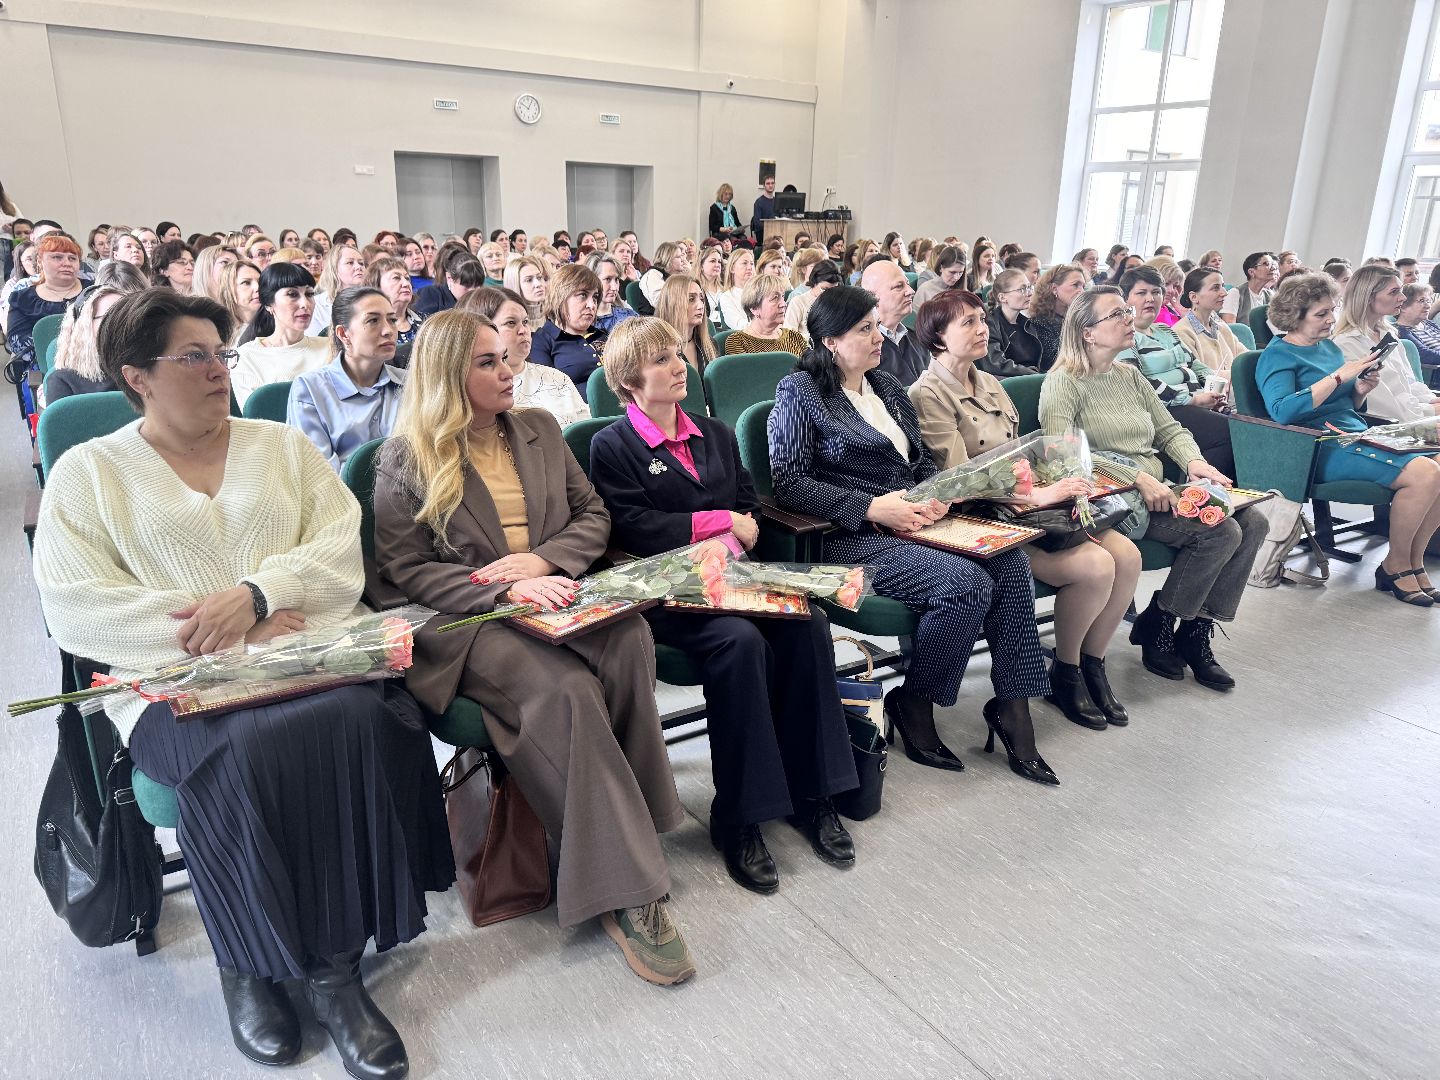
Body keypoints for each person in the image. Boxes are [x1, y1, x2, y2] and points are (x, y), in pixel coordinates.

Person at [33, 288, 452, 1076]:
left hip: (304, 660)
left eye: (220, 355)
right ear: (137, 377)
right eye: (192, 357)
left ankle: (333, 970)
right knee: (250, 745)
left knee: (358, 721)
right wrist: (224, 630)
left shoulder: (280, 448)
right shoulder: (90, 473)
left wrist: (258, 596)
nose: (217, 371)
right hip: (169, 683)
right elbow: (77, 608)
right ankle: (248, 963)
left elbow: (338, 552)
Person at [371, 308, 695, 984]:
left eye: (505, 356)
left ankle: (632, 820)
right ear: (446, 377)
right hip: (469, 619)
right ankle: (626, 890)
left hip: (553, 590)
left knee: (629, 638)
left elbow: (593, 516)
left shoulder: (541, 430)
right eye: (486, 363)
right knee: (566, 690)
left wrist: (544, 565)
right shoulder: (405, 459)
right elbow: (406, 571)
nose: (507, 371)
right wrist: (503, 591)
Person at [589, 317, 858, 889]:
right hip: (670, 592)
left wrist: (739, 533)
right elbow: (633, 527)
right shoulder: (612, 444)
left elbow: (746, 501)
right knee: (739, 645)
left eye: (675, 355)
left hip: (732, 577)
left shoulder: (712, 431)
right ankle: (738, 816)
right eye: (659, 360)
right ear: (629, 380)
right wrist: (719, 525)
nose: (676, 365)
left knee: (806, 623)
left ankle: (812, 794)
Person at [767, 285, 1055, 779]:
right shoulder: (802, 392)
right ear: (829, 341)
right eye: (864, 329)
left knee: (1010, 562)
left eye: (877, 325)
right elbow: (788, 482)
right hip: (848, 533)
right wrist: (875, 507)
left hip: (915, 520)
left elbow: (919, 458)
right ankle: (915, 701)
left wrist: (935, 491)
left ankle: (1013, 706)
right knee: (966, 583)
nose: (879, 336)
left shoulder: (888, 388)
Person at [909, 290, 1140, 731]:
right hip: (981, 516)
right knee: (1095, 566)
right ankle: (1066, 671)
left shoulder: (991, 382)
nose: (983, 329)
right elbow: (959, 480)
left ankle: (1091, 664)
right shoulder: (927, 394)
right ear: (937, 338)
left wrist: (1061, 479)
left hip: (1028, 506)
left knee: (1127, 556)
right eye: (969, 323)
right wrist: (1033, 497)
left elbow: (1020, 454)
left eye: (982, 319)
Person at [1039, 287, 1266, 689]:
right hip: (1112, 498)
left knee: (1255, 522)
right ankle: (1161, 619)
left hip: (1153, 488)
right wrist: (1136, 478)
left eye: (1127, 311)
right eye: (1117, 314)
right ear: (1088, 332)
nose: (1129, 319)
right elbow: (1063, 456)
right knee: (1223, 531)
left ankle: (1194, 628)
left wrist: (1196, 463)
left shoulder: (1127, 374)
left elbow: (1169, 429)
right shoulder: (1064, 382)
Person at [1257, 273, 1440, 605]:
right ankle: (1395, 563)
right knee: (1425, 473)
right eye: (1321, 314)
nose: (1331, 320)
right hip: (1318, 446)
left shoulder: (1326, 348)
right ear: (1294, 317)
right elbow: (1283, 411)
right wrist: (1341, 375)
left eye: (1331, 311)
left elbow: (1343, 404)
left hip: (1351, 433)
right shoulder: (1278, 355)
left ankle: (1413, 559)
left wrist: (1358, 390)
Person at [1116, 266, 1235, 479]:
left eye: (1156, 292)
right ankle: (1202, 498)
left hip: (1195, 400)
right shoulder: (1126, 337)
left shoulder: (1166, 331)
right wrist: (1191, 400)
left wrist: (1214, 390)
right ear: (1125, 300)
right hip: (1164, 408)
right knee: (1227, 432)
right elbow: (1138, 385)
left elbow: (1195, 365)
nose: (1150, 299)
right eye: (1141, 293)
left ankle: (1226, 498)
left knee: (1246, 427)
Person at [287, 285, 405, 471]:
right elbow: (319, 474)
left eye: (392, 320)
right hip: (341, 497)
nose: (388, 330)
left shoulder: (409, 383)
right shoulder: (310, 389)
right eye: (373, 321)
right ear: (343, 334)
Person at [458, 285, 590, 426]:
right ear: (482, 330)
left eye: (525, 322)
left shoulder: (557, 379)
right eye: (511, 323)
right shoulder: (473, 390)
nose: (523, 330)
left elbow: (584, 434)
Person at [1330, 263, 1437, 423]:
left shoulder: (1389, 334)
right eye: (1394, 292)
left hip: (1412, 413)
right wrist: (1430, 410)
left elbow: (1408, 383)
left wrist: (1430, 399)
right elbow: (1383, 406)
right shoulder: (1347, 344)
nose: (1403, 297)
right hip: (1390, 424)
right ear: (1368, 297)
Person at [232, 263, 332, 407]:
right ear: (268, 304)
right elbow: (257, 419)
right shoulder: (247, 357)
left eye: (309, 294)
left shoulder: (329, 347)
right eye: (292, 294)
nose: (305, 303)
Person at [3, 233, 87, 370]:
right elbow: (18, 343)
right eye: (57, 257)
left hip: (94, 364)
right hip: (44, 370)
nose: (66, 263)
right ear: (40, 261)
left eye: (72, 258)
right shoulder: (22, 299)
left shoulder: (96, 291)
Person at [530, 263, 607, 399]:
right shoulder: (541, 341)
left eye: (594, 297)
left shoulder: (602, 335)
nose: (592, 305)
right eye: (583, 295)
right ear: (560, 297)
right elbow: (549, 395)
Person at [44, 284, 127, 404]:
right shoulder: (62, 381)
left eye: (127, 315)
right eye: (111, 316)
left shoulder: (146, 369)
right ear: (85, 326)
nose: (123, 322)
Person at [854, 258, 925, 386]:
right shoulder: (861, 349)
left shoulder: (918, 338)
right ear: (872, 297)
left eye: (908, 284)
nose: (911, 291)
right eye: (899, 286)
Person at [1171, 266, 1248, 377]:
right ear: (1194, 297)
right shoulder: (1181, 333)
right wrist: (1240, 375)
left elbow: (1246, 359)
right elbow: (1199, 376)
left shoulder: (1222, 328)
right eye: (1216, 288)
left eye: (1223, 286)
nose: (1224, 293)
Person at [723, 275, 806, 357]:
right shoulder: (738, 342)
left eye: (783, 297)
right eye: (775, 298)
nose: (783, 304)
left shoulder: (795, 337)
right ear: (754, 308)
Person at [365, 256, 426, 366]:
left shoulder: (427, 322)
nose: (406, 284)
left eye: (407, 278)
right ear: (376, 286)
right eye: (396, 278)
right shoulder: (368, 327)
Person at [1026, 262, 1086, 371]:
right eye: (1075, 285)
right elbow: (1053, 361)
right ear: (1054, 288)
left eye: (1083, 286)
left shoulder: (1078, 319)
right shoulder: (1039, 322)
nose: (1082, 291)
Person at [982, 268, 1042, 376]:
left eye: (1029, 287)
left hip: (1031, 378)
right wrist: (1033, 375)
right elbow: (996, 364)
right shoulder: (990, 324)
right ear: (1002, 297)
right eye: (1022, 289)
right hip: (1008, 384)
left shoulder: (1028, 323)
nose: (1029, 294)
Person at [654, 273, 717, 371]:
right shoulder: (657, 350)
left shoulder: (710, 345)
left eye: (701, 299)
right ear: (673, 304)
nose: (700, 306)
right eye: (691, 299)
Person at [308, 242, 367, 335]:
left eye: (361, 263)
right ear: (334, 269)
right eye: (350, 262)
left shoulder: (372, 301)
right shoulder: (316, 305)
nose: (358, 267)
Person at [783, 259, 842, 344]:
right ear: (814, 282)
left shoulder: (839, 303)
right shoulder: (798, 302)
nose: (830, 294)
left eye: (834, 290)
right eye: (824, 289)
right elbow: (788, 336)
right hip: (806, 351)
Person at [414, 246, 484, 317]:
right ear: (449, 278)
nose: (472, 291)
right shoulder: (429, 295)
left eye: (477, 285)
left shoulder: (484, 300)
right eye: (467, 285)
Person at [1220, 251, 1276, 325]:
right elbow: (1231, 328)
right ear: (1251, 272)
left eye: (1273, 264)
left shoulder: (1270, 295)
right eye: (1266, 264)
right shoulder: (1235, 293)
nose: (1273, 268)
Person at [588, 252, 638, 333]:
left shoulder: (629, 318)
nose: (614, 287)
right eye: (607, 279)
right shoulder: (581, 322)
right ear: (592, 280)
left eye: (617, 279)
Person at [637, 241, 690, 314]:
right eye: (678, 257)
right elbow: (661, 303)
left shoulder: (676, 276)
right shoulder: (652, 275)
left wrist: (689, 275)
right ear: (667, 259)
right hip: (654, 321)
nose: (683, 260)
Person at [1396, 283, 1440, 367]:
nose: (1428, 306)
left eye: (1428, 301)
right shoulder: (1401, 331)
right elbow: (1427, 355)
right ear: (1403, 306)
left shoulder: (1428, 323)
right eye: (1422, 301)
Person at [504, 253, 550, 330]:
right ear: (515, 285)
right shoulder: (509, 323)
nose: (538, 284)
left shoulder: (553, 314)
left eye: (539, 277)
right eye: (529, 280)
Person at [913, 244, 968, 309]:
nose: (956, 277)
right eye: (952, 272)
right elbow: (917, 318)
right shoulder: (925, 290)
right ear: (941, 268)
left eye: (960, 272)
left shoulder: (963, 290)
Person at [719, 248, 756, 331]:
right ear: (732, 268)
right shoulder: (726, 297)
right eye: (744, 263)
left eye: (752, 263)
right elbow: (737, 324)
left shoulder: (761, 293)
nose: (750, 267)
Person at [1146, 256, 1185, 327]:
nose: (1171, 290)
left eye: (1174, 286)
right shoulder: (1149, 312)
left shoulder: (1168, 308)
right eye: (1166, 284)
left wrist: (1180, 310)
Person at [751, 176, 777, 243]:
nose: (770, 185)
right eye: (768, 183)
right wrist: (769, 229)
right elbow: (757, 222)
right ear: (764, 186)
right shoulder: (759, 202)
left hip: (776, 231)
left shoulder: (777, 201)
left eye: (772, 183)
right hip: (762, 232)